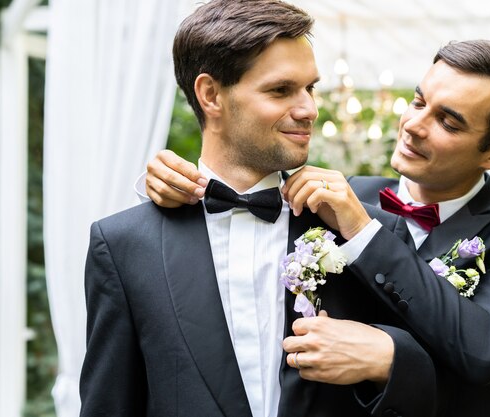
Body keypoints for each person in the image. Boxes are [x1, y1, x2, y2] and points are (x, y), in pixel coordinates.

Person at [141, 39, 490, 416]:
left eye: (448, 122)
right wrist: (167, 183)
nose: (413, 125)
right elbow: (242, 208)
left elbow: (485, 351)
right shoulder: (336, 196)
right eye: (419, 103)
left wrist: (367, 237)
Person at [80, 1, 438, 417]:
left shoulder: (363, 233)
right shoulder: (124, 246)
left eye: (310, 88)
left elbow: (435, 381)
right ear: (211, 95)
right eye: (281, 90)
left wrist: (389, 360)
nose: (308, 109)